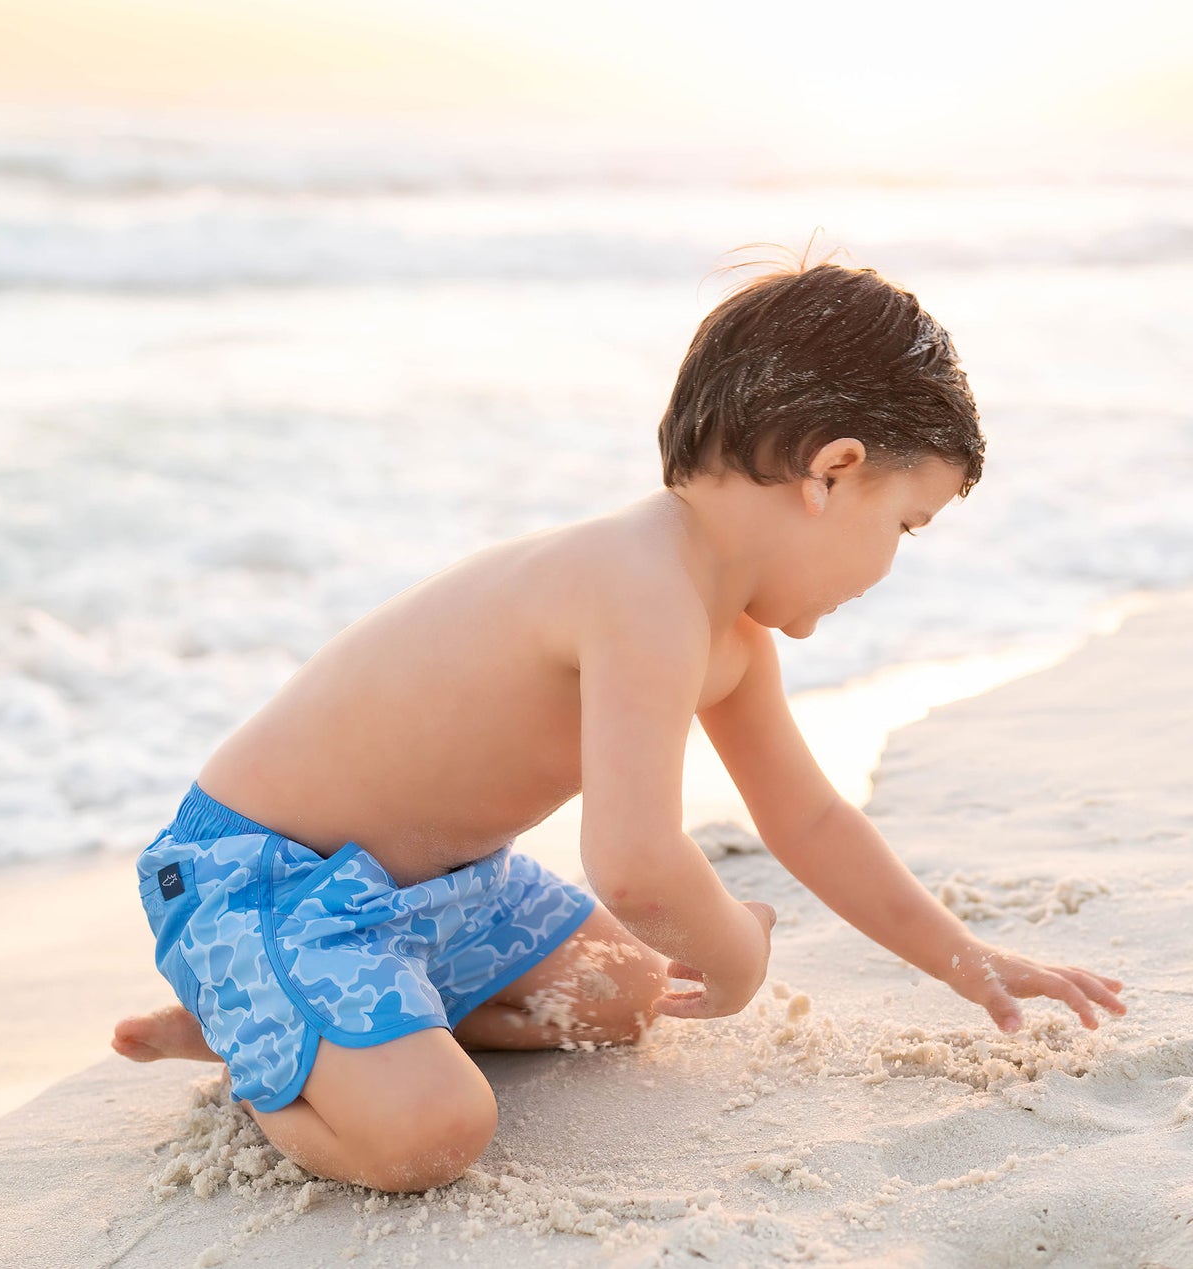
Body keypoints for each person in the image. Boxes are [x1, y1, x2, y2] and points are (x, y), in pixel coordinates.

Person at [114, 254, 1125, 1194]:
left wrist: (966, 957)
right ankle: (259, 1037)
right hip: (262, 879)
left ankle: (337, 1024)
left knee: (630, 989)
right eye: (904, 525)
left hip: (436, 890)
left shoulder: (728, 636)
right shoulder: (636, 587)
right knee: (433, 1133)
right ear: (829, 471)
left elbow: (808, 819)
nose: (891, 564)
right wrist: (734, 952)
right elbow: (635, 863)